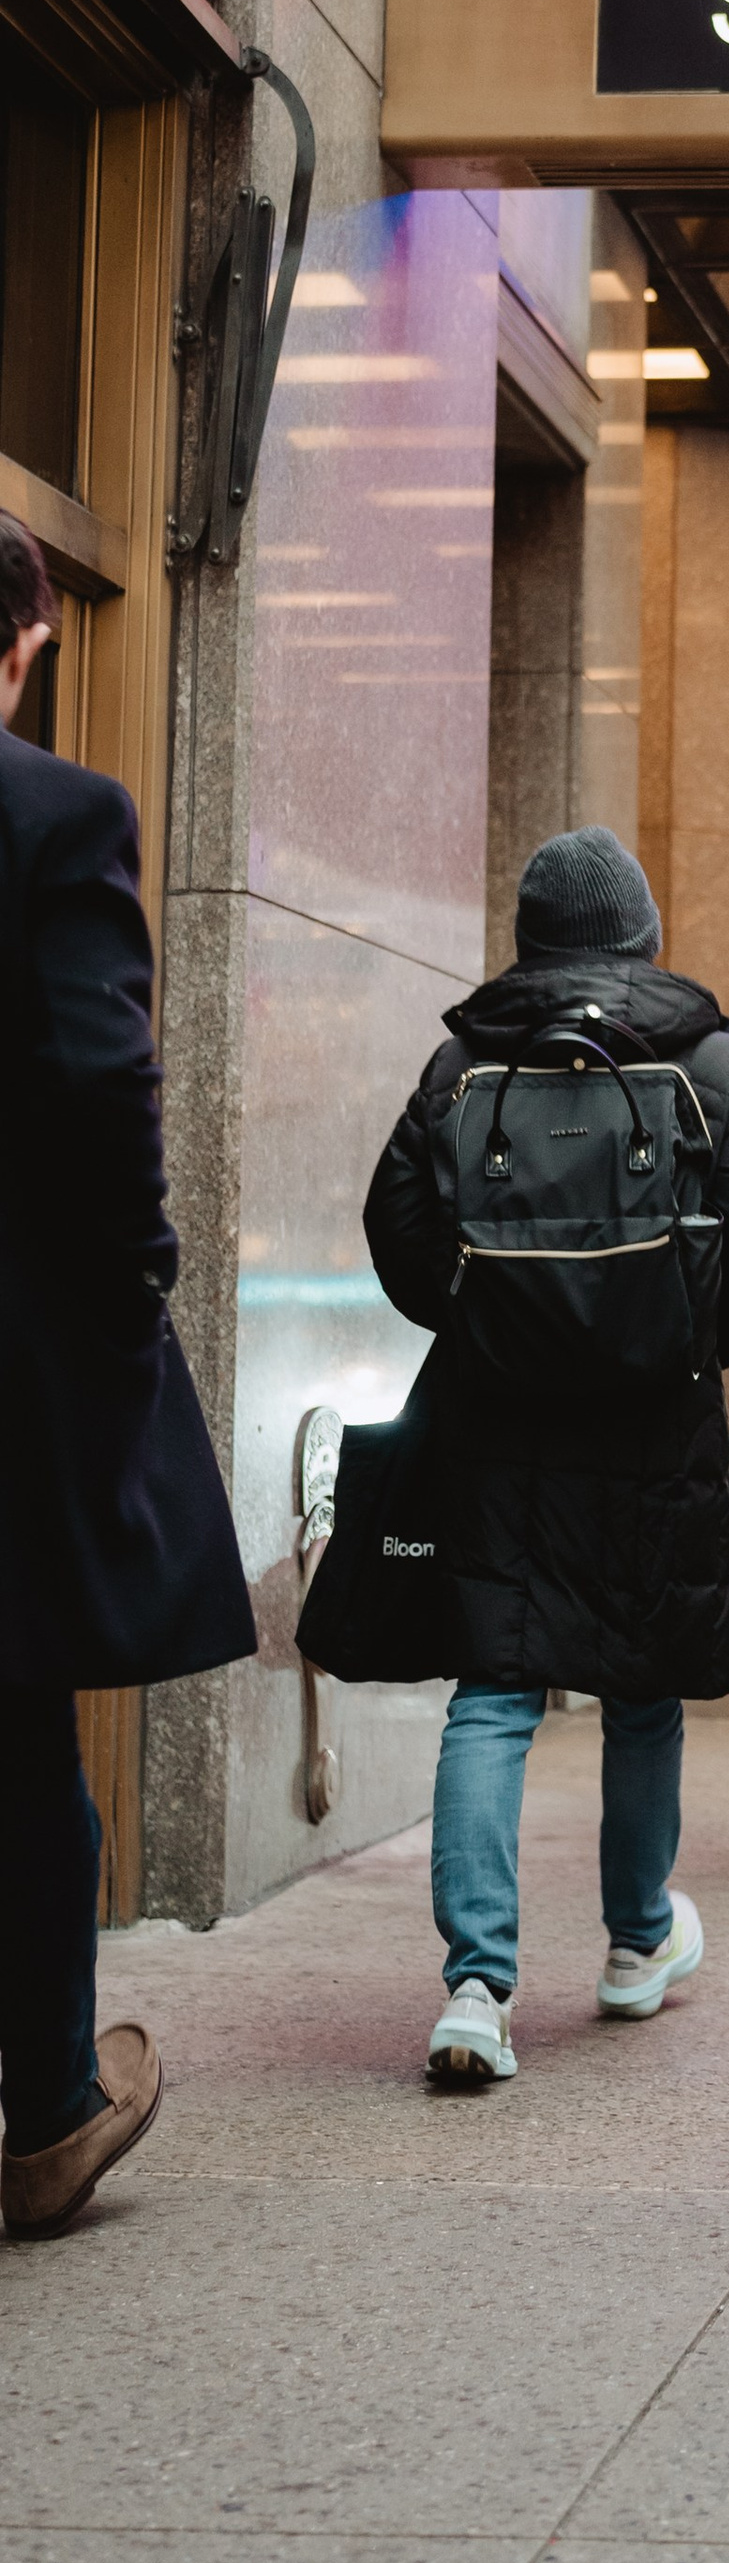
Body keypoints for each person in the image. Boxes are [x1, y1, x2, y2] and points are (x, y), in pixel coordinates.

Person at [364, 826, 729, 2086]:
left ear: (531, 932)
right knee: (641, 1677)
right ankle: (635, 1943)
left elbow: (395, 1218)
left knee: (492, 1686)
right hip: (651, 1412)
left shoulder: (466, 1054)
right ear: (640, 930)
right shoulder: (707, 1053)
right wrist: (700, 1336)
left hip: (497, 1415)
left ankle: (475, 1986)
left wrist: (471, 1314)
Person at [0, 515, 255, 2239]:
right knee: (18, 1731)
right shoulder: (54, 814)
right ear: (21, 648)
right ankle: (49, 2106)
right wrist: (136, 1281)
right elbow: (100, 1086)